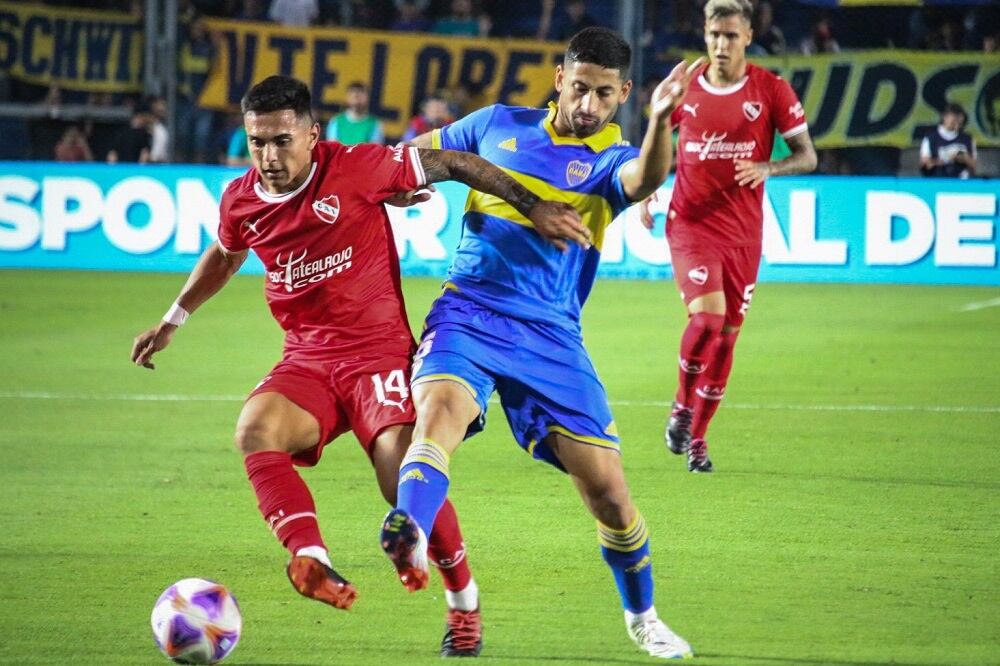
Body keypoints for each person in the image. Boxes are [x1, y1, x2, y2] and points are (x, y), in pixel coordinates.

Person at [130, 75, 585, 657]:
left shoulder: (357, 167)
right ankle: (311, 558)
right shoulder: (241, 200)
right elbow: (226, 253)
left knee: (404, 479)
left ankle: (463, 605)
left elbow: (456, 163)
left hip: (378, 356)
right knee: (254, 429)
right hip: (308, 360)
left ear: (312, 134)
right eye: (257, 142)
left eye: (282, 140)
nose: (269, 156)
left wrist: (531, 205)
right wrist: (174, 319)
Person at [377, 27, 702, 659]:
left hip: (550, 334)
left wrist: (663, 119)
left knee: (609, 495)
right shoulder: (495, 124)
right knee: (437, 417)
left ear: (624, 95)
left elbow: (643, 177)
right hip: (467, 311)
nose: (588, 105)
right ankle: (410, 529)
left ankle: (644, 617)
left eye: (604, 95)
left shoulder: (612, 155)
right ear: (559, 78)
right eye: (579, 88)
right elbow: (408, 157)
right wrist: (402, 177)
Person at [640, 0, 816, 472]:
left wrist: (769, 166)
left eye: (731, 37)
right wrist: (643, 191)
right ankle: (681, 404)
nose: (721, 45)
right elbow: (654, 136)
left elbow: (808, 155)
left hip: (744, 234)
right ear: (705, 34)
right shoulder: (686, 85)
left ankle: (697, 438)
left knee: (727, 339)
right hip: (691, 224)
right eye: (714, 35)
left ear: (748, 37)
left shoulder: (771, 90)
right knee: (706, 322)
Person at [920, 102, 977, 179]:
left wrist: (964, 158)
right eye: (954, 119)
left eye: (959, 121)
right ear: (945, 117)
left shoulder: (967, 139)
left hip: (962, 181)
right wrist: (944, 160)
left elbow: (974, 166)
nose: (957, 123)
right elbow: (925, 164)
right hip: (937, 180)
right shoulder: (931, 138)